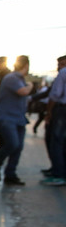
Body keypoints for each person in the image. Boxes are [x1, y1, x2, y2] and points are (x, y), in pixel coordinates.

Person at [0, 55, 34, 186]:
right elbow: (23, 92)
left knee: (18, 147)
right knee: (12, 144)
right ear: (26, 66)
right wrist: (30, 85)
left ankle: (10, 174)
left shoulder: (19, 79)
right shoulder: (12, 78)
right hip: (7, 117)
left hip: (18, 118)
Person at [41, 55, 66, 186]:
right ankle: (58, 170)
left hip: (62, 110)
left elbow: (55, 95)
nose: (59, 67)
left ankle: (58, 174)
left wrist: (49, 112)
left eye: (62, 64)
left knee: (56, 141)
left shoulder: (63, 73)